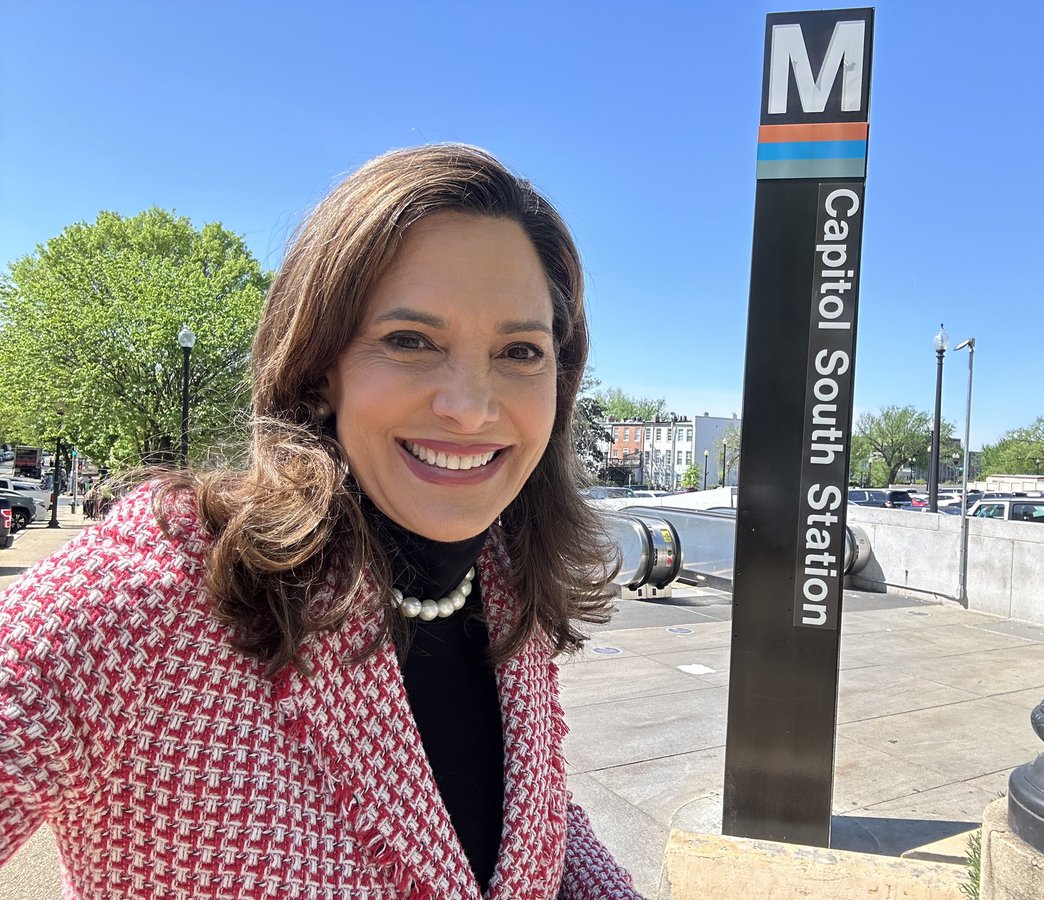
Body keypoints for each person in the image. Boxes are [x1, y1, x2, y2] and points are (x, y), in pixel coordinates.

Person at [0, 145, 643, 899]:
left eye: (519, 351)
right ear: (319, 365)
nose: (470, 405)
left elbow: (525, 820)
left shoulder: (501, 581)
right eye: (410, 341)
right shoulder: (154, 597)